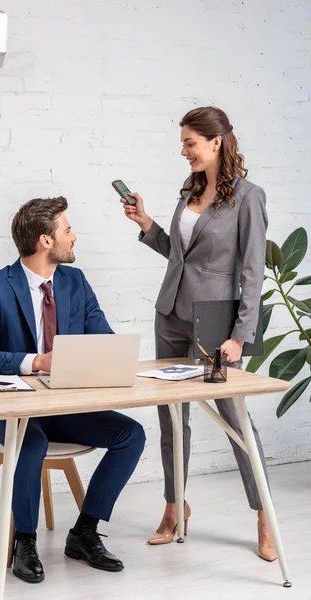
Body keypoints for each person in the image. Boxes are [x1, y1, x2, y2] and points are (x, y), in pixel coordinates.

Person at [120, 106, 276, 561]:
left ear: (215, 141)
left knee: (234, 419)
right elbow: (179, 256)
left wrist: (240, 336)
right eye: (183, 142)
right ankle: (175, 507)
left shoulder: (248, 197)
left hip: (214, 324)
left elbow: (253, 271)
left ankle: (264, 512)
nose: (183, 151)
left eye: (190, 142)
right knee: (171, 418)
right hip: (169, 313)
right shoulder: (189, 190)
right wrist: (147, 225)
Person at [0, 196, 146, 584]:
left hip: (61, 407)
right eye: (67, 230)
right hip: (6, 411)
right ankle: (24, 542)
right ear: (45, 241)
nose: (74, 237)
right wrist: (37, 361)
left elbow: (104, 339)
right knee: (30, 442)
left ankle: (84, 532)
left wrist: (112, 359)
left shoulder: (75, 281)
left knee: (130, 434)